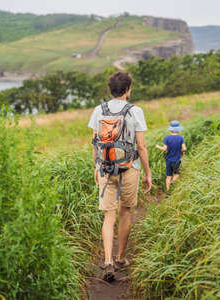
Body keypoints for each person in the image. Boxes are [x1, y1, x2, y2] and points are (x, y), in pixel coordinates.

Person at [88, 72, 152, 282]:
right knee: (125, 212)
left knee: (109, 215)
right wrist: (148, 173)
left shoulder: (99, 110)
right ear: (127, 90)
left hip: (105, 168)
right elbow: (141, 146)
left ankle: (106, 261)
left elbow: (95, 142)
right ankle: (120, 259)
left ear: (111, 90)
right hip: (129, 168)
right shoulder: (135, 111)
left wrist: (97, 167)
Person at [156, 121, 186, 191]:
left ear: (171, 129)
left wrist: (157, 147)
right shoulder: (181, 138)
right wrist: (182, 151)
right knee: (177, 174)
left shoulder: (167, 138)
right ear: (178, 129)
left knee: (168, 176)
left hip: (168, 160)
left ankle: (168, 190)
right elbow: (184, 148)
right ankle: (173, 182)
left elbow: (164, 149)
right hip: (176, 160)